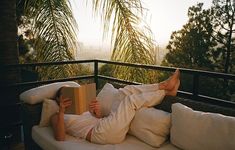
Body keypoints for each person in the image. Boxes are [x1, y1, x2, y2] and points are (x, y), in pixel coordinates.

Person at [51, 69, 180, 144]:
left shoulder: (82, 106)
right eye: (65, 94)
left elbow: (98, 118)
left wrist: (96, 112)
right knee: (130, 101)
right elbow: (60, 138)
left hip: (107, 124)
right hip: (100, 134)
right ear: (58, 99)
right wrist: (62, 111)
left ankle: (163, 85)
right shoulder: (56, 116)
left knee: (124, 92)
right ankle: (166, 92)